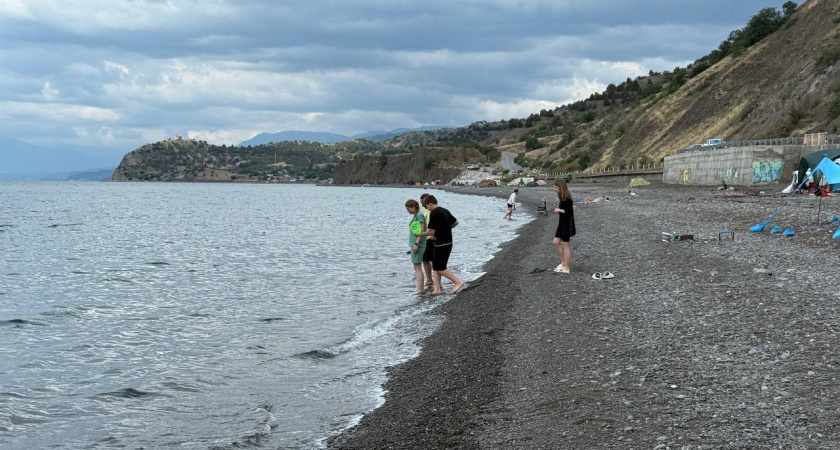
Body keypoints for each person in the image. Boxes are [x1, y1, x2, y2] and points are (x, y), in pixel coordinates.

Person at [418, 195, 465, 294]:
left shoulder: (434, 213)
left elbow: (431, 232)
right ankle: (437, 288)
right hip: (448, 241)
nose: (427, 208)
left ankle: (457, 281)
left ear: (430, 204)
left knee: (440, 267)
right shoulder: (445, 210)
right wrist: (446, 229)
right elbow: (455, 222)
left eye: (426, 206)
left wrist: (420, 233)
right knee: (436, 265)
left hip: (441, 243)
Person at [553, 179, 575, 274]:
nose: (554, 189)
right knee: (556, 242)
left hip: (566, 225)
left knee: (565, 245)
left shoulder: (567, 199)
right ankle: (563, 263)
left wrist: (559, 210)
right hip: (561, 224)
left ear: (560, 187)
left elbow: (569, 213)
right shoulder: (562, 197)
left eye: (555, 187)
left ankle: (566, 267)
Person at [405, 199, 428, 294]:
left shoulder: (419, 215)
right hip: (415, 244)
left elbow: (421, 231)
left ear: (414, 207)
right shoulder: (416, 216)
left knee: (417, 268)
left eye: (409, 209)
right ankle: (420, 288)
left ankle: (420, 289)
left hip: (418, 245)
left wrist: (416, 244)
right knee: (417, 267)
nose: (408, 211)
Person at [419, 193, 434, 286]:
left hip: (431, 238)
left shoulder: (433, 211)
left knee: (433, 260)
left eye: (424, 202)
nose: (422, 205)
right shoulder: (425, 212)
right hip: (425, 238)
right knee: (425, 259)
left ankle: (435, 281)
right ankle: (429, 279)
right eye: (421, 203)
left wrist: (433, 236)